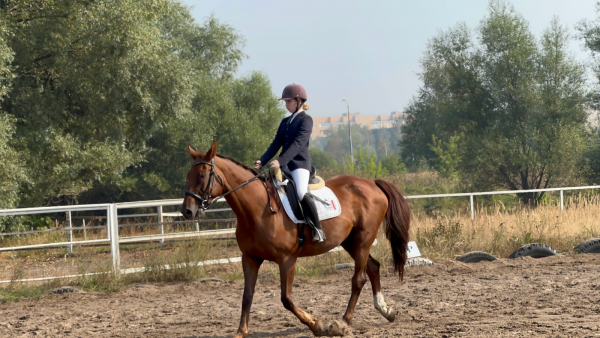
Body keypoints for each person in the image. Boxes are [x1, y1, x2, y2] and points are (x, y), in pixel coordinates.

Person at [254, 84, 326, 243]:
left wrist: (280, 161)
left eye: (288, 101)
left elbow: (298, 144)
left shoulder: (306, 120)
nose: (286, 104)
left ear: (299, 101)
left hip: (299, 165)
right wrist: (262, 160)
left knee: (301, 192)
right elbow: (275, 144)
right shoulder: (285, 121)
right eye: (285, 102)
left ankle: (317, 228)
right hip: (284, 165)